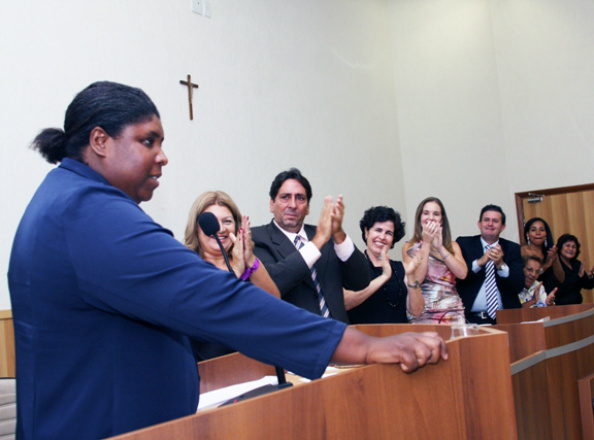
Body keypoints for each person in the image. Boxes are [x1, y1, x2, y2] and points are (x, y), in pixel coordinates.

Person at [7, 81, 447, 440]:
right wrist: (363, 346)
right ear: (100, 141)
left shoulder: (66, 199)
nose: (162, 156)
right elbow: (216, 299)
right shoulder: (88, 213)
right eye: (148, 141)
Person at [252, 168, 371, 323]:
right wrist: (317, 241)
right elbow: (272, 283)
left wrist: (339, 234)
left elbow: (360, 281)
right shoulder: (256, 238)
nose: (293, 205)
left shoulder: (326, 234)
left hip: (339, 336)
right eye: (285, 197)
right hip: (293, 341)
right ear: (272, 204)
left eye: (300, 198)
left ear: (308, 207)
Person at [183, 190, 279, 360]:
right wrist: (234, 272)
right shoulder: (188, 266)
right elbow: (212, 315)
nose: (221, 229)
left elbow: (274, 303)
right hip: (210, 368)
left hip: (257, 361)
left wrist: (250, 260)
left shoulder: (249, 262)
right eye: (212, 221)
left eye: (227, 221)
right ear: (197, 229)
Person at [344, 206, 424, 324]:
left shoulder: (401, 268)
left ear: (393, 239)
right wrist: (384, 277)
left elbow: (417, 310)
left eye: (388, 233)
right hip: (363, 339)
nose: (382, 237)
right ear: (366, 232)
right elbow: (346, 303)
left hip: (398, 338)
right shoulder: (351, 266)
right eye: (378, 230)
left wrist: (411, 275)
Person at [401, 197, 468, 324]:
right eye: (426, 213)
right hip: (423, 314)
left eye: (436, 214)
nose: (430, 218)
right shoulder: (409, 247)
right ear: (419, 218)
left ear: (442, 220)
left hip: (452, 313)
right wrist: (426, 243)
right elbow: (417, 279)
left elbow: (462, 273)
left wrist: (440, 247)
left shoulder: (453, 246)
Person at [456, 204, 525, 324]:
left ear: (502, 227)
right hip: (470, 319)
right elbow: (458, 278)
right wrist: (479, 263)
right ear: (479, 223)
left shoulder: (513, 248)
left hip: (506, 319)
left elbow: (518, 285)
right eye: (486, 220)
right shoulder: (463, 244)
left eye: (495, 221)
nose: (490, 224)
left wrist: (501, 265)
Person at [520, 217, 565, 292]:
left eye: (542, 230)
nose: (538, 233)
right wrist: (544, 267)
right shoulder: (521, 252)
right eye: (533, 230)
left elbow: (561, 279)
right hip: (528, 296)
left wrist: (555, 258)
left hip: (550, 296)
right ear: (527, 234)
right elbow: (524, 279)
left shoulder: (550, 252)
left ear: (546, 234)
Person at [555, 233, 594, 305]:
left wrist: (589, 276)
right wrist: (578, 276)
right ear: (560, 247)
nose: (570, 249)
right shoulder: (555, 265)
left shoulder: (576, 264)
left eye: (574, 247)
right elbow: (562, 288)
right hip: (560, 306)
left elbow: (588, 286)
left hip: (577, 305)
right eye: (567, 246)